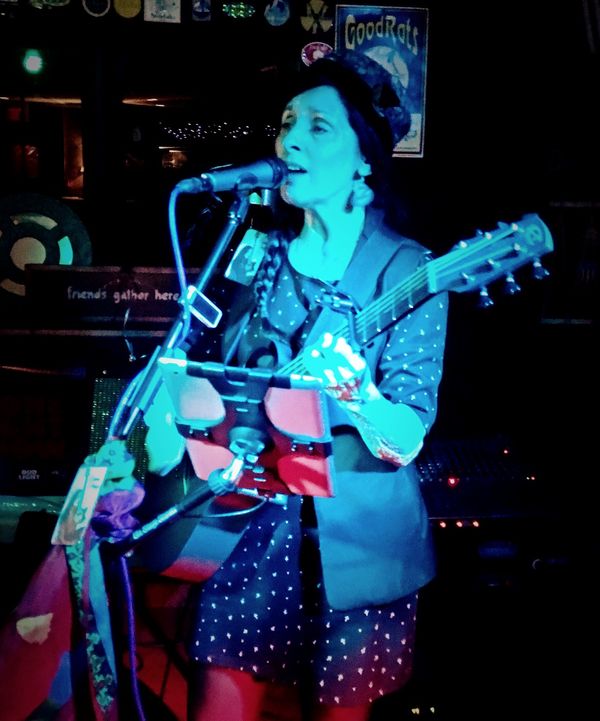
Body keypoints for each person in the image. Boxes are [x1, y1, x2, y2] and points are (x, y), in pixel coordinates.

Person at [144, 50, 449, 721]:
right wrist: (167, 426)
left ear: (363, 160)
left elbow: (408, 435)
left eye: (318, 126)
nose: (290, 141)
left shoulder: (409, 270)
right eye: (286, 124)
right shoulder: (254, 251)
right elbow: (197, 363)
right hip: (243, 523)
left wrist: (362, 396)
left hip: (360, 546)